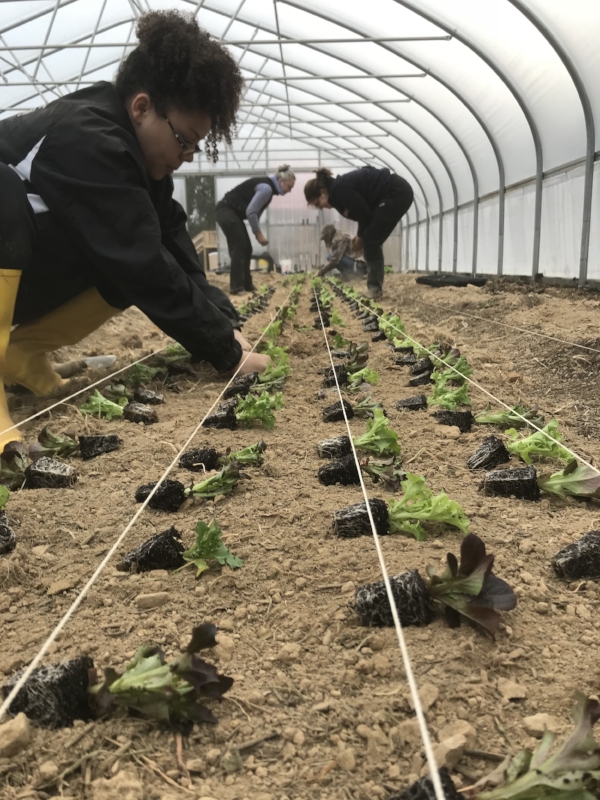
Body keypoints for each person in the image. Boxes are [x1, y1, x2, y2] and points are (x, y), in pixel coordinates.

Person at [0, 10, 271, 449]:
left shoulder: (135, 157)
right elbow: (143, 262)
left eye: (195, 147)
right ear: (142, 107)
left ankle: (19, 354)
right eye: (183, 140)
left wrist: (224, 319)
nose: (186, 155)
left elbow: (167, 239)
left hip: (25, 270)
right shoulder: (89, 136)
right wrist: (226, 351)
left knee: (122, 265)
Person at [304, 166, 413, 298]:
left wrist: (360, 237)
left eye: (317, 203)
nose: (320, 208)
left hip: (396, 193)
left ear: (322, 192)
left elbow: (364, 214)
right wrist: (360, 235)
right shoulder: (336, 195)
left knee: (370, 240)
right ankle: (374, 288)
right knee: (370, 238)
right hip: (389, 196)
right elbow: (364, 213)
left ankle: (374, 290)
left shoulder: (339, 190)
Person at [216, 166, 296, 295]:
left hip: (231, 213)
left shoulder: (269, 189)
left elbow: (255, 213)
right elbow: (251, 212)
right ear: (281, 181)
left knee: (247, 248)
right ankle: (236, 287)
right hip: (226, 210)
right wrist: (257, 233)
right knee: (239, 246)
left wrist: (257, 230)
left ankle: (247, 285)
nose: (290, 191)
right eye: (289, 187)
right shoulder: (267, 189)